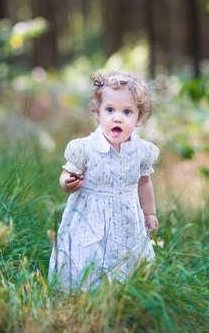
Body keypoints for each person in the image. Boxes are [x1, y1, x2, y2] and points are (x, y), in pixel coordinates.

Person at [48, 71, 159, 290]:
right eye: (110, 110)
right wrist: (66, 182)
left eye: (127, 111)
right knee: (87, 256)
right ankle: (83, 293)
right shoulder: (85, 148)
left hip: (127, 218)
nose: (117, 117)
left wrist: (150, 213)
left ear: (139, 118)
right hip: (90, 219)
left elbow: (144, 183)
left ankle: (124, 292)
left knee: (128, 254)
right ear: (98, 114)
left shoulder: (141, 151)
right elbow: (67, 174)